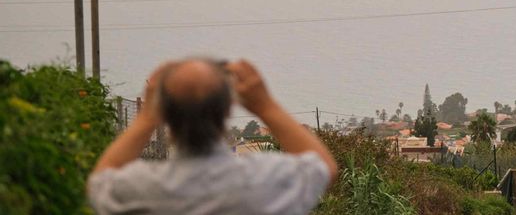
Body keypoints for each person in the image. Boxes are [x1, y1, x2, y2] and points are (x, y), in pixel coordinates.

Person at [88, 58, 338, 214]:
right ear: (229, 108)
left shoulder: (141, 189)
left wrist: (146, 118)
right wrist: (265, 105)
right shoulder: (266, 181)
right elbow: (323, 166)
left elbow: (100, 180)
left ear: (165, 112)